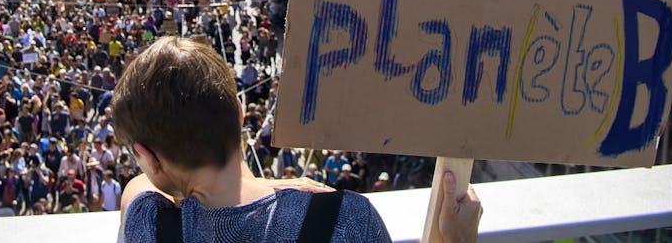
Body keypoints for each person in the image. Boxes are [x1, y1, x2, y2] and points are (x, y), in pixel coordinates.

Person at [114, 37, 482, 243]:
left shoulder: (147, 227)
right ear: (240, 116)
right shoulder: (345, 219)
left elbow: (137, 187)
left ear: (149, 158)